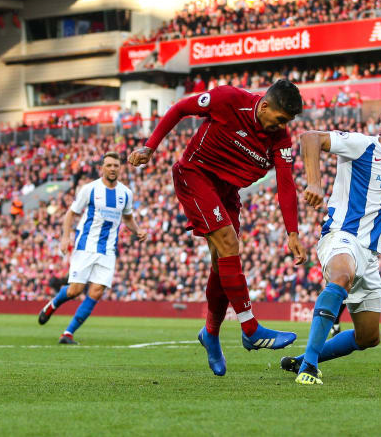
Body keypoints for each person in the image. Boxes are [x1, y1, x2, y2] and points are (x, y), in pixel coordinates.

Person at [128, 79, 306, 376]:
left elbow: (285, 185)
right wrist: (149, 148)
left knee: (222, 263)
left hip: (227, 192)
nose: (282, 126)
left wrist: (292, 232)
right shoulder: (228, 99)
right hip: (194, 175)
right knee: (228, 244)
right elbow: (179, 108)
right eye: (280, 119)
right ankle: (250, 328)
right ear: (264, 106)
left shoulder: (280, 138)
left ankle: (210, 333)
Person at [282, 100, 381, 385]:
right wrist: (315, 183)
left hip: (369, 256)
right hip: (342, 236)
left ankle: (306, 358)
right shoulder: (362, 145)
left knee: (368, 337)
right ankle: (308, 366)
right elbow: (310, 138)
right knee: (342, 275)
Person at [37, 152, 147, 344]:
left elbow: (127, 217)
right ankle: (53, 304)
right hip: (86, 245)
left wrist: (137, 230)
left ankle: (68, 333)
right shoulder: (90, 189)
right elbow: (71, 213)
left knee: (96, 292)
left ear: (120, 168)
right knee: (75, 291)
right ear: (102, 168)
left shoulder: (126, 193)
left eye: (116, 165)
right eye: (109, 165)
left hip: (108, 250)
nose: (112, 168)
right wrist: (65, 237)